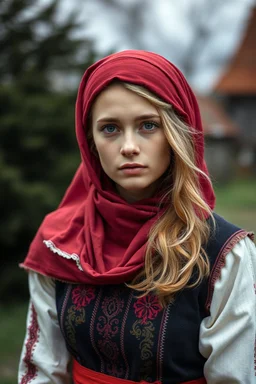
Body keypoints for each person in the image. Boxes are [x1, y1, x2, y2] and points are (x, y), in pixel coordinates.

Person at [18, 50, 256, 384]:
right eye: (110, 128)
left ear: (176, 134)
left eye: (148, 125)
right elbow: (43, 370)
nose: (129, 146)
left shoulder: (224, 255)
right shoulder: (60, 244)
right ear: (90, 142)